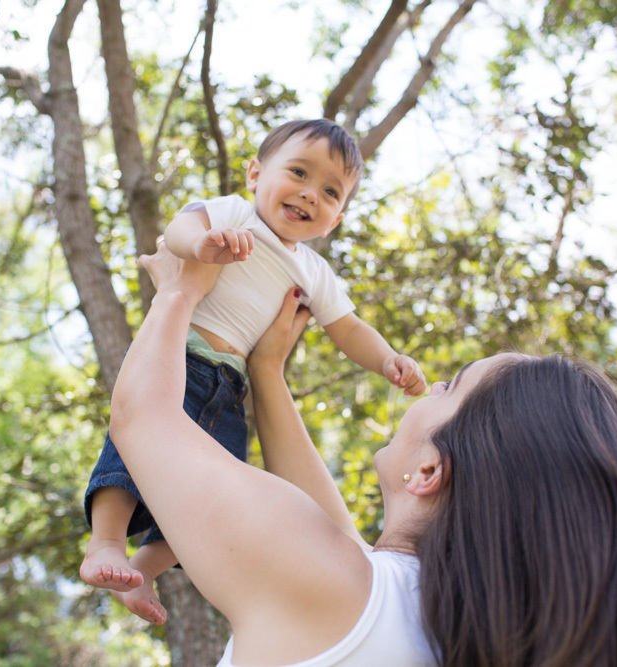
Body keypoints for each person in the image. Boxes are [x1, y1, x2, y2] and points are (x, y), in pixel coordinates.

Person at [105, 245, 617, 666]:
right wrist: (267, 370)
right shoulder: (429, 624)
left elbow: (144, 420)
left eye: (451, 388)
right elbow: (338, 537)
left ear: (431, 471)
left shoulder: (337, 586)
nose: (431, 386)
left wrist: (178, 293)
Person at [80, 119, 427, 623]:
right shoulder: (236, 214)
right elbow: (180, 226)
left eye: (330, 192)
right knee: (133, 450)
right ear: (255, 173)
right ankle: (105, 543)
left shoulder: (313, 271)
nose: (311, 195)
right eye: (299, 173)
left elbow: (349, 329)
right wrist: (201, 246)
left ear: (335, 219)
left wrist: (388, 358)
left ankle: (146, 567)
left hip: (232, 386)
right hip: (182, 356)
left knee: (215, 488)